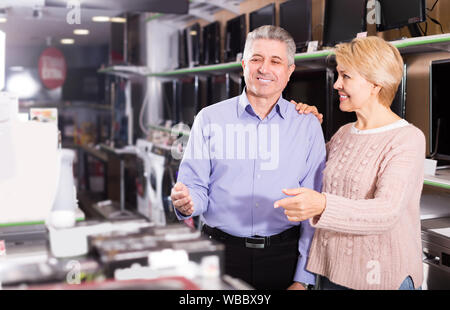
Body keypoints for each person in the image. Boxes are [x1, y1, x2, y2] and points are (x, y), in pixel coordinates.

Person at [170, 25, 326, 290]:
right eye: (256, 59)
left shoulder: (307, 125)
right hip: (219, 254)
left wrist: (303, 278)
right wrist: (187, 204)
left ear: (289, 72)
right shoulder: (209, 119)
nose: (264, 68)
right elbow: (194, 187)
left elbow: (313, 208)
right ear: (244, 65)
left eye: (275, 61)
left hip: (283, 258)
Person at [276, 36, 425, 290]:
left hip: (380, 278)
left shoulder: (407, 138)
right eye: (338, 75)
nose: (336, 85)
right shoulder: (343, 133)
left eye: (346, 77)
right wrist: (305, 129)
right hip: (333, 273)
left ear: (375, 84)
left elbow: (385, 212)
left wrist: (321, 204)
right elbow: (303, 169)